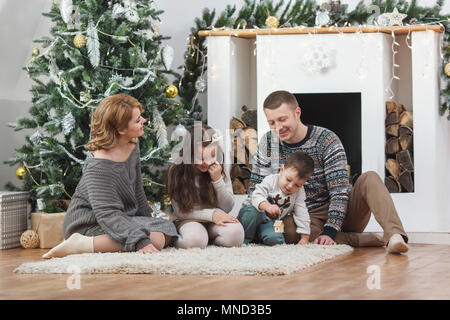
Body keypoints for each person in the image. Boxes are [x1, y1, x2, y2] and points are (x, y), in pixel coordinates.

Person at [239, 90, 409, 254]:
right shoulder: (269, 143)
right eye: (272, 122)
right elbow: (256, 186)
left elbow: (340, 191)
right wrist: (254, 215)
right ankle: (355, 240)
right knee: (284, 231)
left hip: (345, 212)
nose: (278, 127)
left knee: (370, 178)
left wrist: (330, 230)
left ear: (297, 113)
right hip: (305, 216)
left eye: (283, 119)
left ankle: (394, 236)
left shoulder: (327, 139)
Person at [42, 94, 177, 258]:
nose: (144, 121)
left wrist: (145, 221)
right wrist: (140, 240)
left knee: (165, 230)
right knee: (155, 239)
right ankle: (81, 244)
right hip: (90, 224)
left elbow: (137, 189)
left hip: (119, 217)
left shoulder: (132, 143)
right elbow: (108, 214)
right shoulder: (98, 167)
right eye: (137, 120)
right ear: (121, 129)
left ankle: (132, 236)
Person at [166, 123, 244, 249]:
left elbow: (228, 206)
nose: (207, 162)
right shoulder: (177, 171)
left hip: (215, 220)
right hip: (189, 219)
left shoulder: (219, 166)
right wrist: (212, 215)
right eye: (200, 157)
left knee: (236, 235)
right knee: (195, 241)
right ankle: (183, 239)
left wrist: (217, 180)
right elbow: (180, 212)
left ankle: (209, 238)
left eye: (211, 155)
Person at [238, 151, 313, 246]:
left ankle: (257, 235)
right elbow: (256, 195)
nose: (290, 186)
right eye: (288, 179)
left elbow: (301, 212)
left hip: (270, 222)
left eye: (297, 185)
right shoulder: (271, 180)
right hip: (251, 215)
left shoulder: (299, 192)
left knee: (276, 240)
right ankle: (243, 239)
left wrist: (305, 237)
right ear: (282, 170)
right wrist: (267, 206)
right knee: (253, 212)